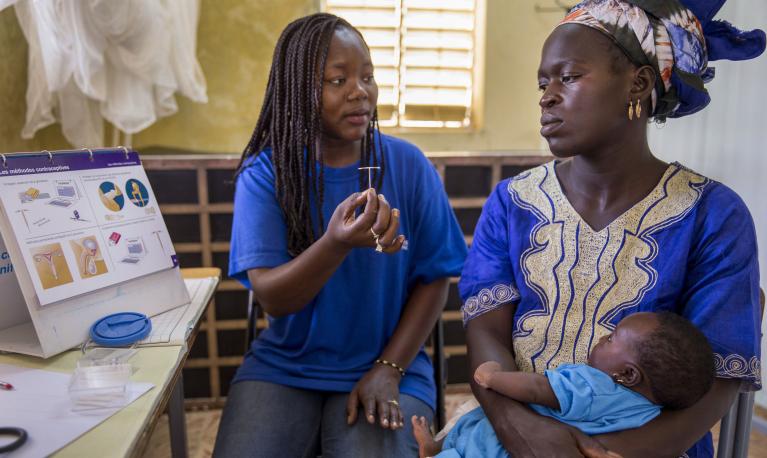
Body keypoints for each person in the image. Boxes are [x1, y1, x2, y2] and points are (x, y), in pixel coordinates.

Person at [459, 1, 765, 457]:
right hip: (509, 436)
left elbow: (715, 382)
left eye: (569, 76)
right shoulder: (512, 202)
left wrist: (594, 453)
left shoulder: (713, 214)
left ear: (637, 84)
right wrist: (522, 432)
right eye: (543, 83)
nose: (546, 95)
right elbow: (485, 336)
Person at [212, 12, 467, 458]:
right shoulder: (267, 174)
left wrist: (389, 368)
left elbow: (435, 279)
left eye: (367, 76)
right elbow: (273, 298)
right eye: (338, 80)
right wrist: (335, 244)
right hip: (286, 368)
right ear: (298, 92)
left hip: (392, 363)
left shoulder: (407, 165)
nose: (360, 92)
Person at [412, 311, 715, 457]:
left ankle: (435, 449)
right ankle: (435, 447)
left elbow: (538, 389)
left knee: (471, 427)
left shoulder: (592, 383)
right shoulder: (649, 412)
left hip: (499, 447)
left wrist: (493, 377)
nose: (602, 337)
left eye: (611, 338)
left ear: (627, 375)